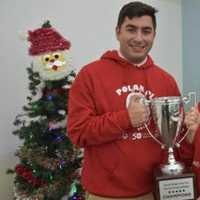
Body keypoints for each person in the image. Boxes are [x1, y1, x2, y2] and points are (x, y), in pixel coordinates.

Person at [67, 1, 200, 200]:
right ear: (118, 31)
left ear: (154, 35)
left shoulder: (166, 80)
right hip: (107, 194)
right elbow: (79, 133)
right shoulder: (90, 75)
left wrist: (190, 134)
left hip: (158, 190)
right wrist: (126, 119)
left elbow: (175, 144)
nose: (139, 38)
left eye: (146, 31)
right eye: (131, 29)